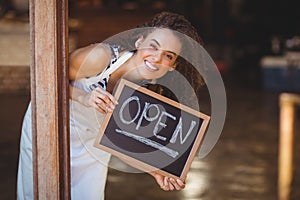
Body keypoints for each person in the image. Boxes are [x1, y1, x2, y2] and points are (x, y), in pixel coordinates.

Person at [17, 11, 205, 199]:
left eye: (168, 56)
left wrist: (154, 171)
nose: (157, 58)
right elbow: (47, 77)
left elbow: (119, 140)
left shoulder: (150, 94)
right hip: (51, 129)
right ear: (139, 42)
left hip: (90, 149)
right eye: (153, 47)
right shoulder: (100, 57)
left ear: (173, 65)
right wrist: (84, 97)